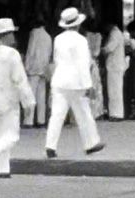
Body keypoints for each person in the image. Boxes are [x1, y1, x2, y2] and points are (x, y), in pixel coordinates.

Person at [0, 18, 35, 178]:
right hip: (9, 100)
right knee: (12, 135)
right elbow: (20, 79)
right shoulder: (13, 54)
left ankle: (3, 169)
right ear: (8, 35)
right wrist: (28, 101)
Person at [45, 8, 105, 158]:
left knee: (57, 115)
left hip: (59, 80)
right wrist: (89, 85)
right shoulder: (81, 40)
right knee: (84, 114)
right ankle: (91, 143)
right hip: (76, 83)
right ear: (78, 24)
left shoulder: (57, 39)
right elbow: (83, 64)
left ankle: (50, 146)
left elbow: (57, 60)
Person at [23, 16, 52, 128]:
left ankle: (28, 121)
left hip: (33, 68)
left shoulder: (34, 33)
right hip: (43, 68)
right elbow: (49, 54)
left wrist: (26, 66)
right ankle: (41, 120)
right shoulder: (48, 36)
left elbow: (31, 50)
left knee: (30, 95)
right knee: (41, 95)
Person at [101, 21, 126, 121]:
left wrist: (101, 49)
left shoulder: (115, 34)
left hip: (115, 66)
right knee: (115, 90)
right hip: (116, 65)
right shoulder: (117, 33)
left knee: (114, 90)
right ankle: (115, 113)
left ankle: (116, 114)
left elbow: (109, 48)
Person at [83, 19, 105, 120]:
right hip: (94, 63)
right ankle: (96, 112)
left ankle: (88, 111)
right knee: (96, 88)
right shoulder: (99, 36)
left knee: (87, 88)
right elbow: (97, 52)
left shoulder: (85, 36)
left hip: (86, 62)